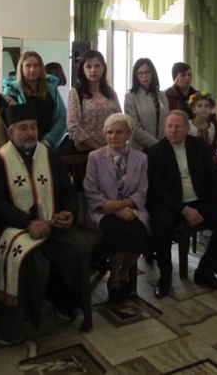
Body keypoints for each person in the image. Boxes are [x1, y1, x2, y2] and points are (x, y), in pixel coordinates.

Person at [0, 104, 92, 342]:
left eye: (33, 127)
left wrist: (68, 213)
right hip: (17, 227)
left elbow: (69, 191)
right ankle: (20, 322)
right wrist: (27, 223)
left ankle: (67, 301)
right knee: (31, 259)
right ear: (10, 132)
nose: (30, 133)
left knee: (80, 249)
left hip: (54, 223)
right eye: (23, 128)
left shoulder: (51, 156)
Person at [146, 111, 217, 299]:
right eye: (169, 126)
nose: (173, 130)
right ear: (165, 128)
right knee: (161, 223)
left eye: (178, 126)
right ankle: (165, 277)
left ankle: (206, 271)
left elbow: (215, 174)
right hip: (170, 204)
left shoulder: (198, 145)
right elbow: (157, 190)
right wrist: (183, 209)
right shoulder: (155, 152)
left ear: (187, 128)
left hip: (200, 200)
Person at [83, 114, 151, 303]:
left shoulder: (141, 158)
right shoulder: (95, 157)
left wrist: (121, 206)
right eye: (109, 132)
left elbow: (142, 192)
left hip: (131, 208)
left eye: (119, 132)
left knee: (139, 230)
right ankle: (114, 278)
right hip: (102, 210)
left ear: (129, 134)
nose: (113, 136)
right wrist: (115, 210)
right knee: (118, 231)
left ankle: (123, 273)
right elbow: (90, 190)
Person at [3, 51, 67, 149]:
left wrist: (48, 141)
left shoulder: (51, 88)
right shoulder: (11, 90)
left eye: (36, 65)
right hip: (23, 146)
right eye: (28, 66)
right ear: (21, 68)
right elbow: (11, 124)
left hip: (49, 145)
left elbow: (62, 117)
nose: (32, 69)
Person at [67, 50, 122, 152]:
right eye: (88, 66)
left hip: (112, 150)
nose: (93, 70)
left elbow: (119, 119)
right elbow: (74, 126)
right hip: (85, 153)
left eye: (97, 66)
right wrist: (98, 148)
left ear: (103, 68)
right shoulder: (75, 93)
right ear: (83, 70)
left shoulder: (111, 93)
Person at [123, 58, 169, 151]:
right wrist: (156, 144)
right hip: (140, 148)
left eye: (147, 72)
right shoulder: (130, 97)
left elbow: (167, 121)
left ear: (152, 73)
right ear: (135, 76)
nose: (144, 76)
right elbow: (134, 128)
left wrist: (162, 143)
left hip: (162, 146)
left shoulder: (162, 95)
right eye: (140, 73)